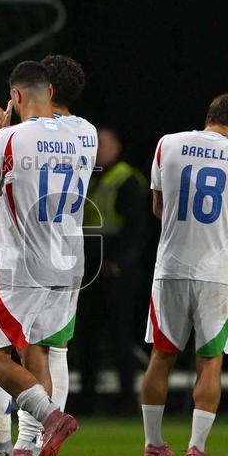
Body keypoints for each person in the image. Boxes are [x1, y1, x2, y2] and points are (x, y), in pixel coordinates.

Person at [0, 54, 96, 456]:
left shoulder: (8, 139)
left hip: (21, 265)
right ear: (50, 91)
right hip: (69, 261)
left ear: (15, 96)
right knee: (39, 351)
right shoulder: (84, 133)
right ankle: (26, 447)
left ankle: (51, 419)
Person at [141, 93, 228, 456]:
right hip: (216, 273)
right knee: (211, 361)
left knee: (160, 356)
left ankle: (154, 444)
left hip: (171, 268)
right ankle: (197, 448)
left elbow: (158, 207)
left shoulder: (167, 144)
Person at [75, 127, 148, 413]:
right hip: (91, 268)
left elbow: (136, 229)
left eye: (101, 145)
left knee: (120, 335)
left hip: (117, 270)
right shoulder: (91, 176)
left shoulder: (126, 178)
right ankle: (87, 398)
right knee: (87, 335)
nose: (96, 151)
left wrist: (118, 261)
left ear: (116, 146)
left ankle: (127, 399)